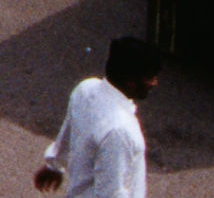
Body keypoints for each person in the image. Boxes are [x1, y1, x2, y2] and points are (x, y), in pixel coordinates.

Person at [32, 38, 158, 198]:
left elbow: (67, 135)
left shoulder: (86, 88)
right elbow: (112, 193)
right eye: (150, 78)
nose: (155, 83)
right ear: (130, 82)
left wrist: (54, 166)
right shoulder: (120, 131)